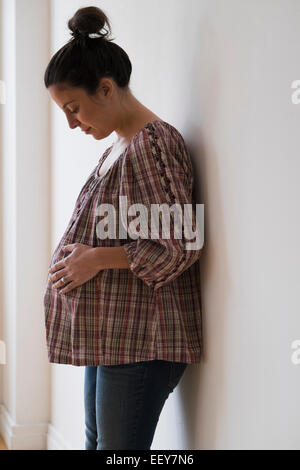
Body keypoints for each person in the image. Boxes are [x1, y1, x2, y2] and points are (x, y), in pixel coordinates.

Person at [43, 6, 203, 450]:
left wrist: (95, 259)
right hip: (115, 336)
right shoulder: (121, 145)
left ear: (107, 88)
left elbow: (181, 242)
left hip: (142, 343)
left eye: (74, 109)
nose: (72, 124)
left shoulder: (153, 143)